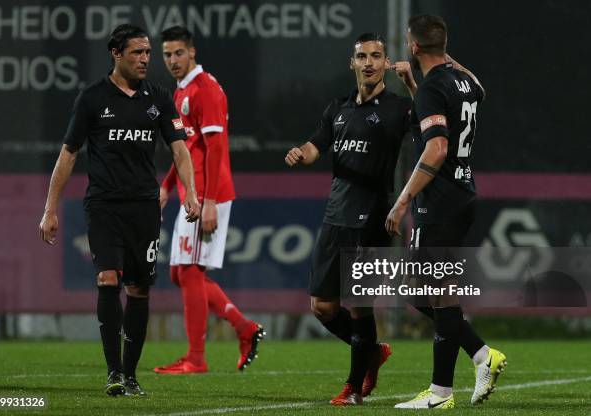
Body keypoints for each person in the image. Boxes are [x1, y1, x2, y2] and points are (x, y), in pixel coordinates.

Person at [38, 24, 200, 396]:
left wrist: (189, 191)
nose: (145, 59)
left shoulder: (158, 97)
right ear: (116, 54)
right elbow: (69, 154)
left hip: (144, 207)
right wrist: (50, 209)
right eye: (137, 53)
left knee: (139, 288)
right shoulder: (93, 98)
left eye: (147, 52)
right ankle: (113, 372)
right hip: (104, 206)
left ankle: (130, 375)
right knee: (108, 278)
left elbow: (179, 147)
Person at [285, 33, 414, 406]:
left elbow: (433, 120)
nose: (369, 62)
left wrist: (410, 82)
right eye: (362, 56)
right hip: (335, 214)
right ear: (352, 63)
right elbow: (314, 147)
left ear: (386, 62)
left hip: (372, 216)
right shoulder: (337, 108)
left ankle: (355, 388)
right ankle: (372, 352)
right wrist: (300, 153)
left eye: (376, 56)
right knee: (321, 306)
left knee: (359, 302)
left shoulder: (397, 108)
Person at [386, 15, 507, 409]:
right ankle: (480, 355)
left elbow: (436, 148)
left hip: (439, 201)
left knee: (433, 293)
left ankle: (440, 393)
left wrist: (403, 199)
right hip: (463, 193)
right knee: (425, 292)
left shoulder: (433, 88)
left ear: (413, 46)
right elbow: (477, 94)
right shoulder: (463, 80)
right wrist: (415, 81)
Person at [153, 26, 264, 375]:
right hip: (191, 195)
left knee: (189, 271)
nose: (173, 60)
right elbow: (183, 150)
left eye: (178, 53)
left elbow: (216, 148)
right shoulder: (180, 92)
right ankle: (244, 328)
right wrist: (168, 185)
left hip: (206, 196)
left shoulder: (207, 90)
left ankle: (196, 358)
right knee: (179, 273)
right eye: (167, 54)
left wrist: (211, 200)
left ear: (192, 52)